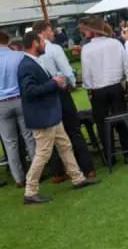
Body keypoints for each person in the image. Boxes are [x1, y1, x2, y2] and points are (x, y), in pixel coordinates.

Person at [18, 32, 101, 204]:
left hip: (51, 114)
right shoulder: (26, 65)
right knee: (43, 154)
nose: (45, 44)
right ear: (34, 43)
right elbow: (30, 91)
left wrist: (55, 82)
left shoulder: (34, 62)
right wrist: (54, 83)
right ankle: (30, 190)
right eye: (42, 41)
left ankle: (77, 178)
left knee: (65, 145)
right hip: (43, 117)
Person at [32, 21, 96, 179]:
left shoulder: (31, 55)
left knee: (51, 133)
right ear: (43, 32)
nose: (53, 33)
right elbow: (66, 70)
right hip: (60, 90)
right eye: (50, 30)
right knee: (73, 129)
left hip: (43, 94)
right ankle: (87, 168)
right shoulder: (54, 49)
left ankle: (58, 172)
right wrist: (72, 83)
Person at [80, 18, 128, 162]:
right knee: (122, 120)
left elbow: (86, 72)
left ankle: (110, 156)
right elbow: (126, 64)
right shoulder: (114, 43)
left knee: (102, 123)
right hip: (115, 87)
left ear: (93, 31)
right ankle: (127, 153)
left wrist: (88, 88)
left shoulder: (87, 49)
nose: (83, 32)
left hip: (98, 90)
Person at [0, 30, 36, 188]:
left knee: (10, 143)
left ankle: (19, 178)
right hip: (20, 99)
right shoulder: (18, 55)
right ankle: (36, 172)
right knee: (30, 137)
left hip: (1, 103)